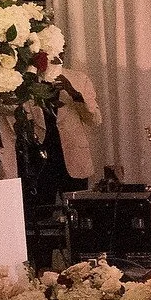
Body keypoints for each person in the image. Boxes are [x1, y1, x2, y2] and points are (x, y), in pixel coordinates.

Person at [27, 62, 102, 198]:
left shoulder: (79, 78)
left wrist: (74, 93)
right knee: (41, 211)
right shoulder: (27, 79)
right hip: (39, 159)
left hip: (73, 157)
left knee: (77, 211)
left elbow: (95, 119)